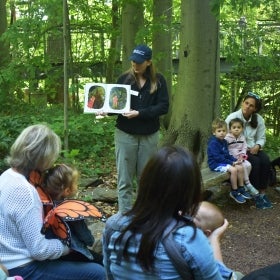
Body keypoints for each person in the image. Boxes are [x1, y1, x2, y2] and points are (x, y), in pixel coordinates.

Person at [103, 145, 235, 279]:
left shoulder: (114, 225)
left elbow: (110, 275)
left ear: (145, 181)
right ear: (190, 190)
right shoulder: (189, 238)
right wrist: (214, 240)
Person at [0, 124, 105, 280]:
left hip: (7, 260)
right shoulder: (25, 191)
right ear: (44, 159)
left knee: (93, 261)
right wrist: (69, 247)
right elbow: (39, 251)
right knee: (98, 273)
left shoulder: (6, 176)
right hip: (22, 267)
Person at [114, 44, 169, 213]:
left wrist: (140, 113)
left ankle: (144, 215)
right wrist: (103, 110)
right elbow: (115, 105)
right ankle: (124, 218)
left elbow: (163, 106)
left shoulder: (158, 81)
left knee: (146, 178)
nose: (135, 65)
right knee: (125, 180)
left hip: (148, 136)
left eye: (139, 62)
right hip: (125, 134)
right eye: (133, 61)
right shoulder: (124, 80)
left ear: (148, 62)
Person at [39, 163, 103, 264]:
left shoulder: (42, 205)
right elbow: (87, 239)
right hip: (73, 252)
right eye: (75, 183)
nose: (77, 185)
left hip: (51, 255)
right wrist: (90, 240)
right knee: (103, 262)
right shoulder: (71, 209)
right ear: (67, 191)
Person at [225, 92, 272, 209]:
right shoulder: (232, 117)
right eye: (246, 103)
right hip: (238, 150)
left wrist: (258, 146)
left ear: (255, 109)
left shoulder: (259, 119)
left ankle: (262, 192)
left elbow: (261, 138)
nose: (247, 107)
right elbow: (225, 137)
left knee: (266, 160)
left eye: (251, 105)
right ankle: (253, 194)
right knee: (255, 163)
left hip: (253, 148)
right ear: (242, 103)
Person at [207, 118, 252, 204]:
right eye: (219, 131)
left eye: (223, 131)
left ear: (227, 131)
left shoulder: (224, 141)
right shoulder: (213, 143)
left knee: (240, 167)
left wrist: (236, 160)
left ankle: (241, 188)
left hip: (223, 162)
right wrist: (231, 163)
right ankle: (234, 191)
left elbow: (227, 155)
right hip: (215, 164)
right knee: (234, 170)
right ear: (214, 132)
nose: (221, 133)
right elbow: (218, 158)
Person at [225, 118, 259, 196]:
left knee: (248, 165)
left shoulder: (242, 137)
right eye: (234, 127)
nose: (236, 129)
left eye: (239, 127)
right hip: (232, 158)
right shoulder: (227, 138)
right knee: (243, 166)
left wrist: (242, 155)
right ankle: (248, 184)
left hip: (240, 157)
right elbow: (225, 150)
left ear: (242, 128)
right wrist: (232, 157)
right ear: (230, 129)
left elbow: (244, 147)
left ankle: (243, 182)